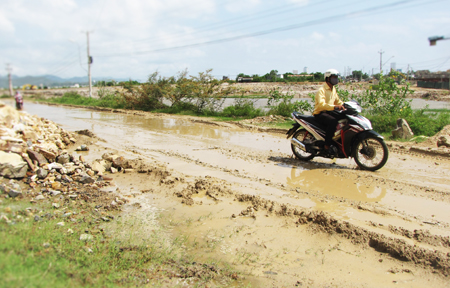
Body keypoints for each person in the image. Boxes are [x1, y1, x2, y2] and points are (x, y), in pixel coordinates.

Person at [312, 69, 346, 156]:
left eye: (336, 77)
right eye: (334, 77)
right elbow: (321, 105)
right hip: (320, 113)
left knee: (344, 117)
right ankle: (327, 145)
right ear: (328, 79)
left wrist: (345, 106)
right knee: (333, 121)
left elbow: (338, 101)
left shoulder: (333, 89)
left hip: (329, 111)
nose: (336, 79)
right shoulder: (322, 90)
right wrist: (334, 107)